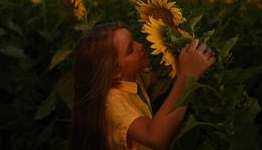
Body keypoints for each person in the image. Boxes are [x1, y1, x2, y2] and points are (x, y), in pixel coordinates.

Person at [70, 23, 215, 150]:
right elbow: (156, 139)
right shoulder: (113, 102)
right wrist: (188, 76)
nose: (139, 46)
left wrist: (172, 38)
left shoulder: (132, 78)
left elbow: (158, 73)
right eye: (130, 50)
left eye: (133, 40)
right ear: (115, 72)